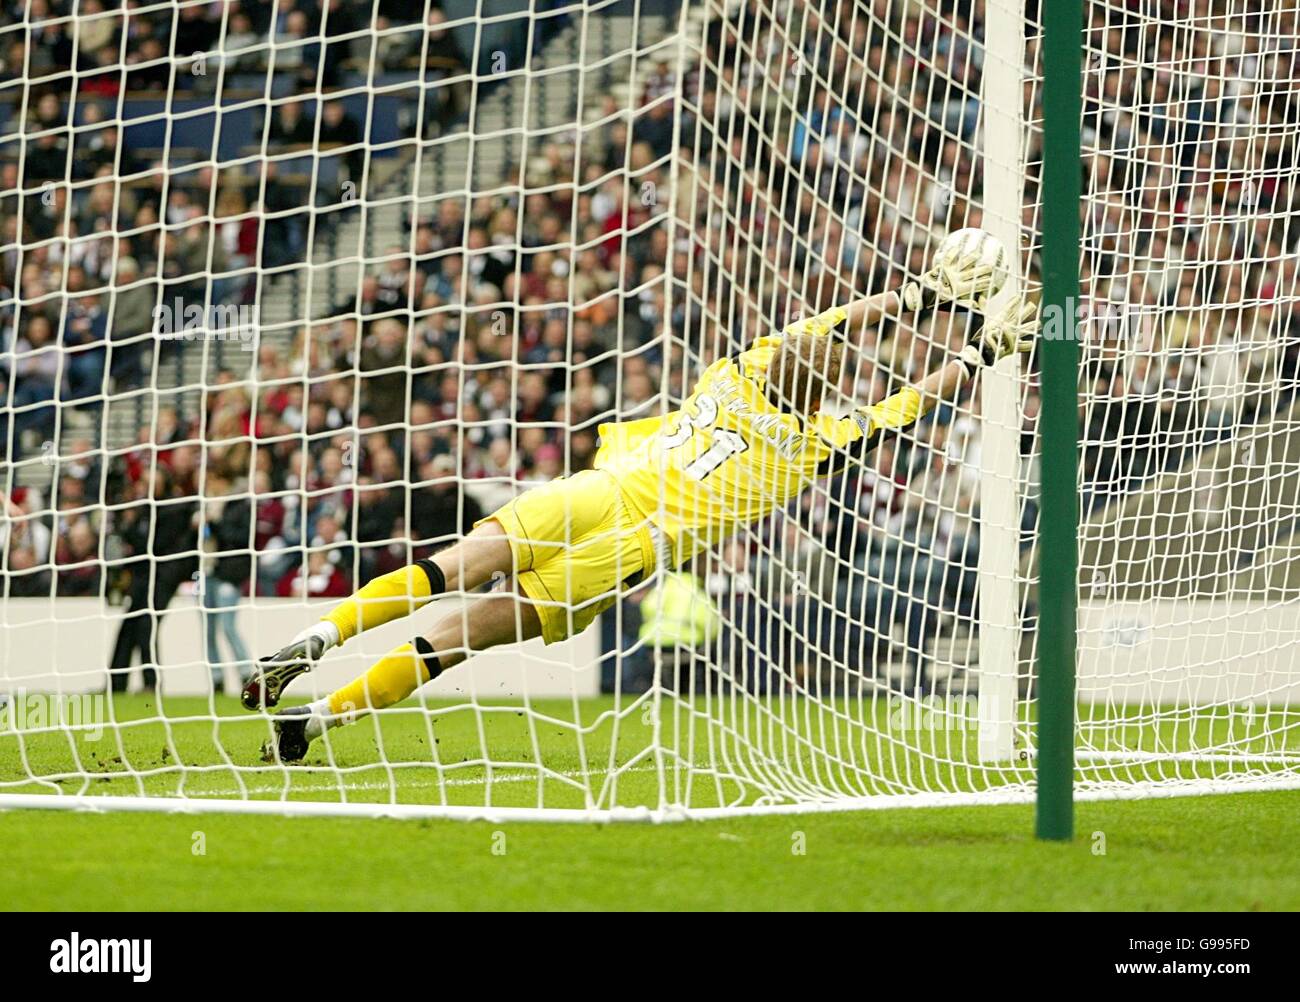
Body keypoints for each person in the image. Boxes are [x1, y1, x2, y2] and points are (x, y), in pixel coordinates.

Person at [246, 249, 1037, 761]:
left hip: (599, 488)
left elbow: (823, 325)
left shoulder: (736, 372)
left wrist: (917, 293)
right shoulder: (808, 446)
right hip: (637, 543)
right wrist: (978, 350)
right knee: (459, 635)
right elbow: (907, 404)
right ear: (827, 391)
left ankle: (317, 634)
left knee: (451, 565)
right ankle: (314, 721)